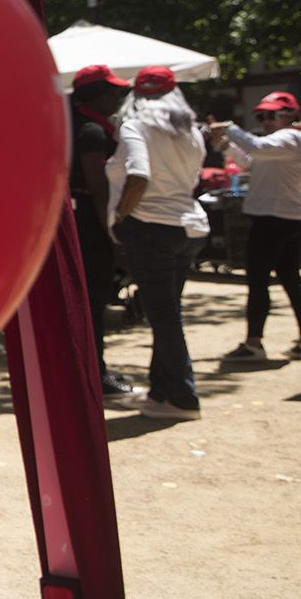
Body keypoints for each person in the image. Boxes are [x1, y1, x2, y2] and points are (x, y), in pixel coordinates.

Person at [106, 66, 210, 420]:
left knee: (164, 316)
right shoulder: (191, 132)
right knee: (166, 313)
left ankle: (183, 397)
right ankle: (163, 391)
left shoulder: (135, 126)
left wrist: (120, 216)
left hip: (151, 228)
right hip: (188, 227)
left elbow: (139, 175)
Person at [208, 91, 301, 361]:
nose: (266, 120)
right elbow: (252, 161)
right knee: (290, 279)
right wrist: (226, 145)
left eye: (272, 115)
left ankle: (254, 343)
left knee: (258, 281)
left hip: (273, 219)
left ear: (291, 116)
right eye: (262, 116)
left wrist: (230, 128)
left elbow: (256, 149)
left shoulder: (290, 137)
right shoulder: (285, 140)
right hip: (286, 216)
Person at [68, 64, 137, 399]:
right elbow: (98, 188)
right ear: (96, 95)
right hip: (91, 228)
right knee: (92, 304)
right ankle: (96, 374)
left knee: (89, 304)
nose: (117, 97)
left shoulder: (76, 124)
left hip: (77, 221)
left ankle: (91, 369)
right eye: (112, 91)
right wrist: (113, 234)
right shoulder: (91, 132)